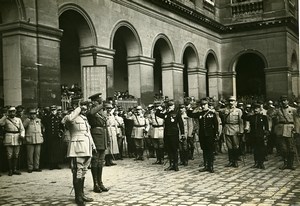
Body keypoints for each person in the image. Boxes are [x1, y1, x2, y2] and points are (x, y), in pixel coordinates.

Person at [64, 102, 95, 206]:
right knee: (77, 171)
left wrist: (92, 145)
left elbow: (88, 133)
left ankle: (81, 194)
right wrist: (78, 109)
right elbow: (68, 119)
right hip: (77, 148)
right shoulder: (70, 118)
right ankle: (78, 197)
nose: (84, 110)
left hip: (86, 147)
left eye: (86, 108)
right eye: (83, 108)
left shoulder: (84, 119)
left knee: (83, 171)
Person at [187, 98, 219, 173]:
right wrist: (190, 108)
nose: (203, 106)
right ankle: (206, 165)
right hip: (202, 134)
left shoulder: (212, 113)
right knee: (204, 150)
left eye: (205, 104)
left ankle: (210, 166)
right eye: (202, 105)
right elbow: (190, 114)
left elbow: (215, 124)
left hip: (210, 134)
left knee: (210, 150)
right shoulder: (200, 113)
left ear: (208, 105)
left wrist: (216, 134)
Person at [86, 93, 109, 193]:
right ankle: (95, 183)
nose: (100, 102)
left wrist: (107, 138)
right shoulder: (92, 110)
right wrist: (101, 105)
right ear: (94, 102)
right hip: (95, 135)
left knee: (101, 161)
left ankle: (100, 182)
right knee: (95, 160)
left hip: (102, 136)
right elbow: (90, 113)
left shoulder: (101, 111)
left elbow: (105, 125)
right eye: (98, 101)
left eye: (100, 101)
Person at [156, 101, 184, 171]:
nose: (170, 107)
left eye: (171, 106)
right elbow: (157, 114)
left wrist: (182, 133)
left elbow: (181, 124)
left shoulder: (177, 113)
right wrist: (160, 108)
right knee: (169, 150)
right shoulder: (166, 113)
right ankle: (171, 164)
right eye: (168, 106)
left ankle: (176, 165)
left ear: (174, 106)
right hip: (167, 134)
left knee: (174, 149)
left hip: (174, 134)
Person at [274, 95, 297, 170]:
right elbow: (270, 115)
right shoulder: (278, 110)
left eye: (285, 100)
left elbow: (296, 120)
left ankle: (291, 164)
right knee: (283, 148)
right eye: (282, 101)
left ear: (288, 101)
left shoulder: (293, 109)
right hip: (281, 129)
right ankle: (285, 163)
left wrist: (295, 129)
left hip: (290, 129)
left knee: (291, 147)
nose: (283, 102)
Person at [0, 106, 25, 176]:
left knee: (16, 154)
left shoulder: (18, 119)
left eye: (13, 112)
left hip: (17, 137)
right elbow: (0, 123)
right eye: (11, 112)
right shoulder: (6, 119)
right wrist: (5, 116)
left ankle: (15, 169)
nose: (12, 113)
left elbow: (22, 129)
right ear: (9, 112)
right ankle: (10, 170)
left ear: (15, 112)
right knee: (9, 155)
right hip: (9, 137)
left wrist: (22, 135)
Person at [220, 96, 244, 168]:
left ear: (235, 102)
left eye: (232, 101)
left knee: (235, 146)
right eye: (230, 101)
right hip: (227, 128)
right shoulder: (225, 110)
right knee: (229, 146)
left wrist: (241, 130)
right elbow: (217, 110)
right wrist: (221, 103)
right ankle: (231, 161)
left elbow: (241, 121)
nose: (231, 103)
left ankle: (235, 161)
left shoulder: (239, 111)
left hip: (235, 129)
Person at [245, 103, 269, 169]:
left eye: (257, 108)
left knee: (261, 149)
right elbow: (246, 122)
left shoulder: (263, 117)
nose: (256, 110)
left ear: (260, 109)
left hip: (261, 135)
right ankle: (256, 162)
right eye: (254, 108)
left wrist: (266, 134)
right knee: (255, 149)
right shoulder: (251, 117)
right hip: (253, 135)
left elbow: (266, 127)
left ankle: (261, 163)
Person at [42, 105, 64, 170]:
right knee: (50, 150)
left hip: (57, 136)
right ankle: (51, 164)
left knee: (57, 151)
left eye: (54, 110)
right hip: (50, 136)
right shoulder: (47, 118)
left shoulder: (59, 118)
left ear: (56, 111)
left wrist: (60, 132)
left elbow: (61, 127)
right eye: (52, 110)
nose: (53, 111)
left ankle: (56, 164)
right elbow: (44, 125)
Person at [23, 108, 44, 173]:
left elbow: (42, 128)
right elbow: (23, 128)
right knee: (30, 155)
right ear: (29, 114)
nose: (33, 115)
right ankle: (30, 167)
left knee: (37, 154)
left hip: (38, 139)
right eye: (31, 114)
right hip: (30, 139)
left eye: (34, 114)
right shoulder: (27, 120)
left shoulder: (39, 120)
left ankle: (36, 167)